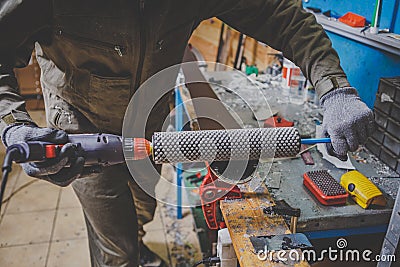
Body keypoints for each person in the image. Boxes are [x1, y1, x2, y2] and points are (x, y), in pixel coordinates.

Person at [0, 0, 375, 266]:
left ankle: (138, 243)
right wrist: (14, 126)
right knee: (116, 247)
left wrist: (335, 88)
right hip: (82, 128)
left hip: (147, 123)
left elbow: (281, 16)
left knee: (142, 209)